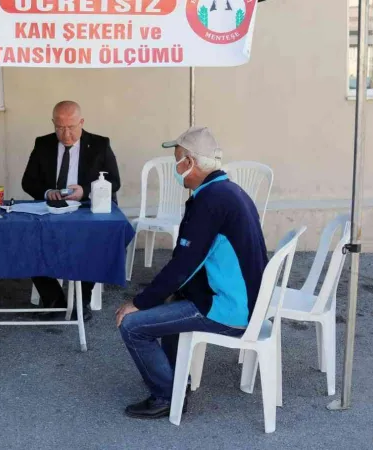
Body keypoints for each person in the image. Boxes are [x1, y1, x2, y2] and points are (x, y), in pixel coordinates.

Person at [116, 127, 268, 419]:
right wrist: (164, 293)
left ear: (190, 163)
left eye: (177, 161)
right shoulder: (228, 190)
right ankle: (175, 379)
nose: (175, 169)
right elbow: (189, 263)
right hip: (244, 299)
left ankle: (166, 396)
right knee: (173, 301)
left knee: (132, 325)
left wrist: (139, 302)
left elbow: (183, 265)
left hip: (231, 309)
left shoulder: (210, 201)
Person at [21, 100, 121, 321]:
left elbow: (114, 181)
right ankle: (54, 300)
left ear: (81, 122)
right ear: (53, 123)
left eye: (71, 127)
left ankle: (81, 300)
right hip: (52, 209)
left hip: (86, 209)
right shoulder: (43, 143)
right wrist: (47, 191)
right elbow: (28, 182)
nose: (66, 134)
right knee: (27, 238)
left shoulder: (99, 144)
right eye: (59, 127)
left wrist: (85, 191)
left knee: (95, 243)